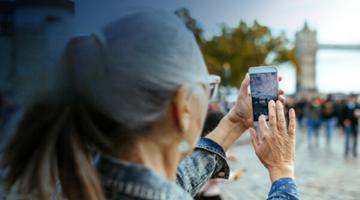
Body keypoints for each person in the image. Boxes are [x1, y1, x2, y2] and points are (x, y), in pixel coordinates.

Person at [0, 10, 299, 200]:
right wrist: (282, 174)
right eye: (205, 90)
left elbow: (170, 182)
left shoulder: (76, 183)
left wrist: (234, 122)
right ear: (182, 105)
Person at [342, 94, 360, 158]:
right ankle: (346, 151)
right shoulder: (346, 106)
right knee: (347, 138)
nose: (353, 99)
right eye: (352, 98)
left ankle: (354, 151)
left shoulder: (358, 106)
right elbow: (342, 115)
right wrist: (344, 121)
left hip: (355, 123)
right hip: (348, 123)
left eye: (354, 98)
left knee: (355, 138)